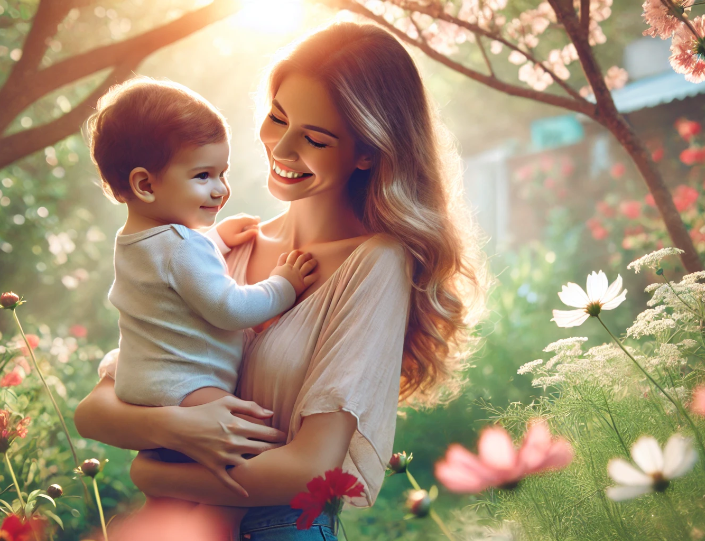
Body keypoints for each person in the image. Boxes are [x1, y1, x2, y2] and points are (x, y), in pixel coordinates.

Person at [74, 21, 487, 540]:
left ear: (367, 151)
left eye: (314, 138)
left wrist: (151, 469)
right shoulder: (219, 243)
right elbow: (97, 407)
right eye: (277, 117)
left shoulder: (375, 264)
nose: (282, 147)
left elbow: (310, 469)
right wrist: (172, 428)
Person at [86, 77, 321, 537]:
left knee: (177, 487)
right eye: (203, 176)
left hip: (146, 383)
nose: (221, 189)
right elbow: (227, 307)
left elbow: (171, 274)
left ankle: (166, 523)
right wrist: (284, 285)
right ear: (144, 185)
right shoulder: (180, 246)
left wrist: (215, 238)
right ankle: (219, 526)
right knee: (248, 447)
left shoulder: (135, 241)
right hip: (186, 385)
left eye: (222, 173)